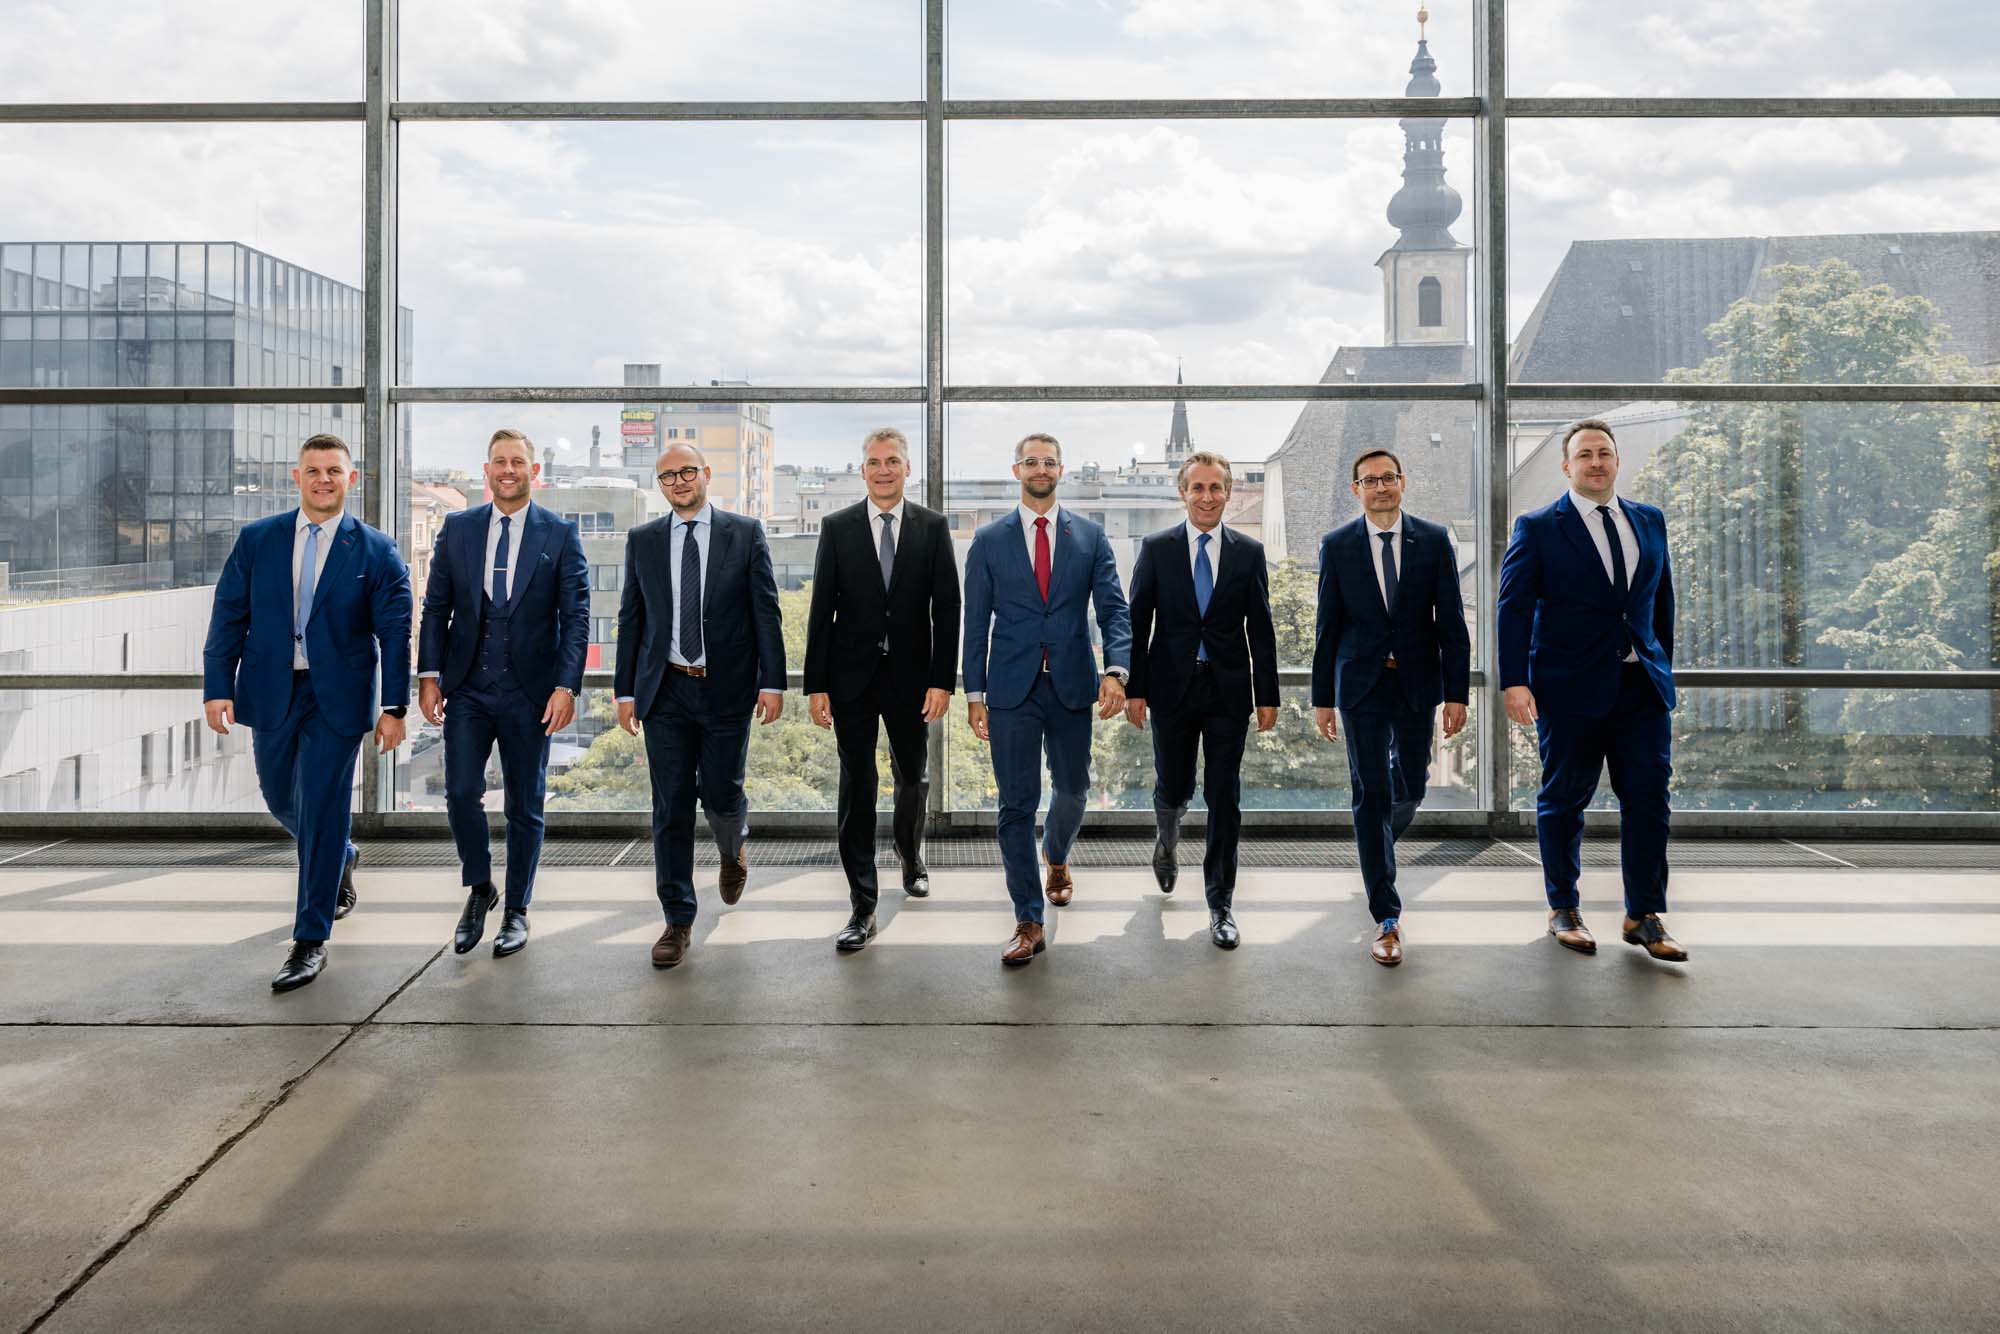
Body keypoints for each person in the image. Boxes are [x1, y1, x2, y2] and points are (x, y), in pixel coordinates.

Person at [201, 433, 410, 992]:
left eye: (334, 471)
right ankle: (340, 852)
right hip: (272, 688)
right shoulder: (258, 540)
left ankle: (309, 939)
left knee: (321, 804)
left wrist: (394, 707)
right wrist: (217, 686)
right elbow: (228, 617)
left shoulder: (375, 550)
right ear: (296, 478)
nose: (323, 479)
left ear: (352, 480)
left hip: (337, 697)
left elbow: (395, 634)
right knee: (278, 797)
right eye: (313, 470)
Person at [1497, 419, 1686, 962]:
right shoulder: (1537, 527)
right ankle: (1563, 906)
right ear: (1567, 466)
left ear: (1617, 461)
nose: (1596, 462)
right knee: (1564, 801)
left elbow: (1660, 603)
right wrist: (1514, 682)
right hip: (1568, 687)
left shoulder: (1649, 521)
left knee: (1650, 799)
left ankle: (1643, 914)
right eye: (1585, 454)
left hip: (1641, 689)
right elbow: (1513, 610)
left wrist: (1662, 667)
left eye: (1604, 452)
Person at [416, 428, 588, 959]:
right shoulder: (458, 528)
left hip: (532, 692)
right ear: (486, 470)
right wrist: (427, 676)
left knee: (524, 804)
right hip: (467, 685)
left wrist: (566, 685)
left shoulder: (559, 532)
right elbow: (435, 607)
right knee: (460, 791)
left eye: (518, 462)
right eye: (499, 462)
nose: (508, 470)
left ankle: (517, 909)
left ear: (533, 472)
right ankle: (479, 888)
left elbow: (577, 616)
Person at [615, 441, 787, 970]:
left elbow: (766, 611)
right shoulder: (643, 540)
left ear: (706, 473)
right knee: (669, 807)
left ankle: (733, 846)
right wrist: (625, 691)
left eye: (688, 471)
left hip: (727, 689)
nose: (680, 482)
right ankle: (678, 917)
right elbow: (631, 618)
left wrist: (773, 682)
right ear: (659, 486)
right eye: (668, 476)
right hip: (665, 690)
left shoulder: (745, 533)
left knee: (721, 795)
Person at [962, 432, 1132, 967]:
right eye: (1030, 462)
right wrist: (974, 692)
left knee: (1075, 787)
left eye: (1049, 462)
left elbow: (1113, 609)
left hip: (1071, 684)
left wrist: (1116, 670)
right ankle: (1028, 919)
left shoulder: (1090, 537)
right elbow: (975, 623)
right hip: (1010, 689)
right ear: (1017, 471)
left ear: (1063, 470)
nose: (1040, 469)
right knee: (1014, 805)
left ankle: (1056, 855)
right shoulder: (988, 541)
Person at [803, 427, 960, 952]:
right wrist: (816, 684)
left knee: (911, 776)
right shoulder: (837, 527)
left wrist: (943, 680)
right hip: (851, 678)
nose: (884, 469)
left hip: (913, 678)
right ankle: (862, 903)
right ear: (862, 470)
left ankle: (910, 855)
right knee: (858, 782)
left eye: (893, 460)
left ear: (907, 468)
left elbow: (948, 609)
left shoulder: (934, 528)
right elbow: (821, 610)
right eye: (874, 462)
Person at [1311, 449, 1470, 966]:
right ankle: (1387, 914)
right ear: (1355, 489)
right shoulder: (1337, 546)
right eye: (1369, 480)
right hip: (1359, 687)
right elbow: (1327, 629)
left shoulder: (1434, 540)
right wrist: (1322, 701)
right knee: (1371, 791)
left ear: (1403, 482)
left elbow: (1451, 623)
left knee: (1414, 783)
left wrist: (1457, 693)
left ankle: (1373, 841)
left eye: (1388, 478)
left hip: (1417, 685)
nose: (1380, 487)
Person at [1123, 451, 1279, 949]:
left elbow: (1263, 629)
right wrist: (1135, 689)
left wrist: (1267, 694)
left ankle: (1220, 904)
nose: (1207, 497)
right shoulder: (1157, 548)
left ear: (1229, 492)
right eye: (1198, 488)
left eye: (1216, 488)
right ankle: (1166, 841)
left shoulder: (1248, 552)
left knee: (1224, 796)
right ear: (1182, 493)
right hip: (1171, 687)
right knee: (1174, 786)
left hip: (1228, 690)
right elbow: (1137, 621)